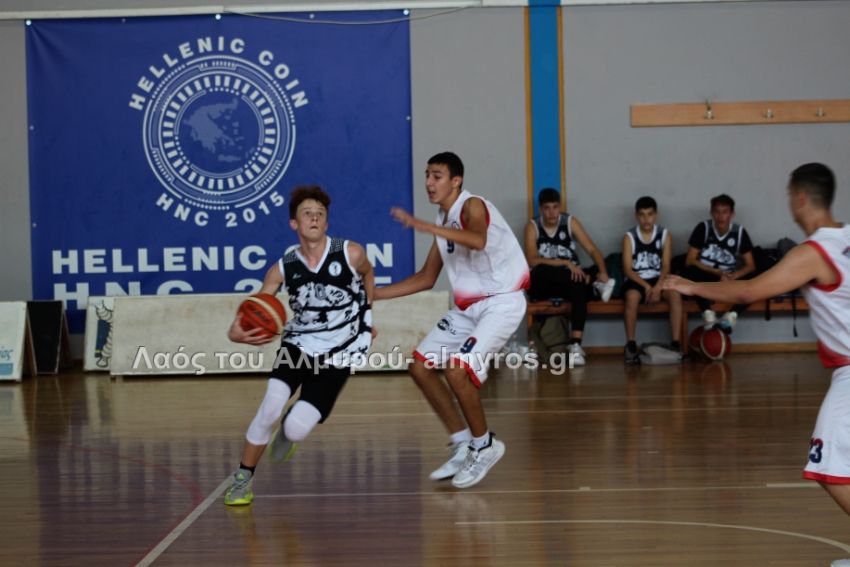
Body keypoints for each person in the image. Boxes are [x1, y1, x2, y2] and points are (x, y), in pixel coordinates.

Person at [662, 163, 850, 567]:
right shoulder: (847, 238)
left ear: (801, 198)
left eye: (789, 196)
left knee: (827, 467)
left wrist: (690, 285)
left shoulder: (814, 252)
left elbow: (750, 291)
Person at [374, 152, 529, 489]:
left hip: (501, 303)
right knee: (420, 367)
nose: (429, 183)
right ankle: (462, 443)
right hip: (468, 309)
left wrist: (425, 226)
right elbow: (426, 278)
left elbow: (478, 238)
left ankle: (484, 446)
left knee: (457, 370)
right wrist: (374, 294)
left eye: (437, 176)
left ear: (456, 180)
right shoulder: (443, 221)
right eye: (427, 175)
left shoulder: (473, 205)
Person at [223, 185, 375, 506]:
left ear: (327, 223)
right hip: (297, 345)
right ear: (295, 223)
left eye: (320, 213)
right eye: (307, 213)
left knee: (294, 430)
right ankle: (243, 478)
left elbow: (368, 274)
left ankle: (289, 430)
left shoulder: (351, 253)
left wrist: (366, 315)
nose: (314, 218)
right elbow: (256, 307)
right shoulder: (282, 267)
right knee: (269, 408)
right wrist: (237, 332)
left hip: (338, 354)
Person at [524, 187, 612, 366]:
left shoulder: (569, 222)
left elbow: (592, 250)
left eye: (555, 207)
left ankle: (575, 347)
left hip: (569, 282)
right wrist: (566, 263)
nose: (552, 212)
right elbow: (532, 260)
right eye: (547, 208)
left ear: (560, 207)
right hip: (544, 283)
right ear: (540, 209)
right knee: (541, 270)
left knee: (578, 288)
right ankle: (591, 282)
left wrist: (603, 272)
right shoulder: (533, 226)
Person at [682, 194, 756, 334]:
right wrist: (716, 272)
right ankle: (708, 314)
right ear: (711, 213)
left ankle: (732, 315)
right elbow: (690, 260)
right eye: (717, 212)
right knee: (690, 271)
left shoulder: (739, 232)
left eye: (725, 212)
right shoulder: (703, 228)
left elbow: (750, 266)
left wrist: (734, 276)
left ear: (732, 214)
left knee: (756, 280)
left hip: (728, 279)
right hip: (707, 275)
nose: (720, 216)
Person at [622, 196, 683, 363]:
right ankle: (631, 345)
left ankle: (676, 344)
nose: (646, 219)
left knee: (675, 295)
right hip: (637, 279)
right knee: (631, 298)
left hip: (658, 278)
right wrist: (647, 287)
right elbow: (627, 269)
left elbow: (666, 266)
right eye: (642, 215)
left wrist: (657, 287)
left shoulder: (664, 234)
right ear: (636, 216)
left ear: (656, 214)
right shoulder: (629, 236)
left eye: (649, 214)